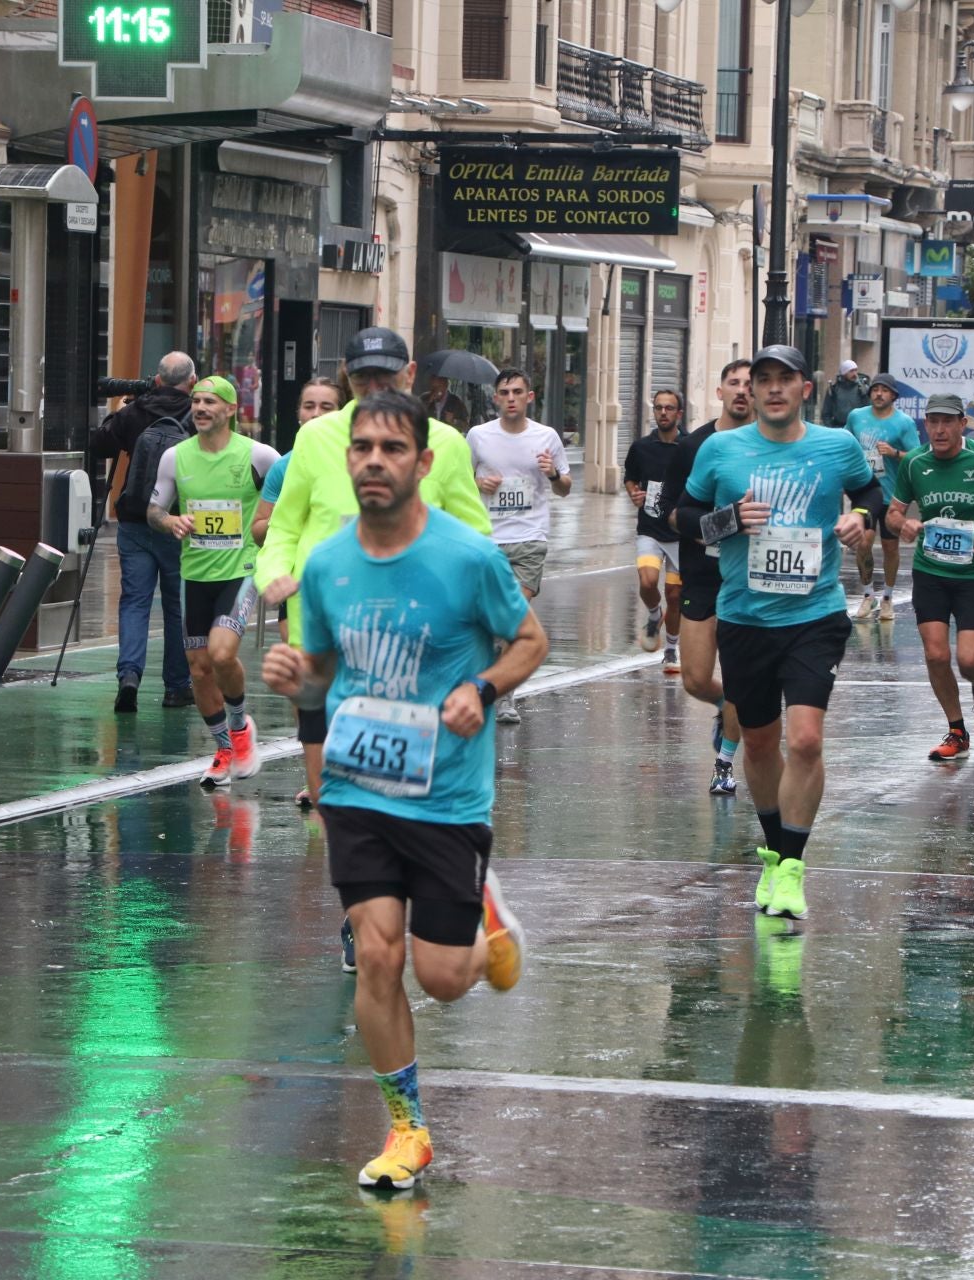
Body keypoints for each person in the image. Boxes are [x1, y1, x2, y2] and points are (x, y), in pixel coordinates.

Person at [261, 389, 548, 1192]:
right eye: (362, 449)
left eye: (392, 450)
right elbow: (321, 670)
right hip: (358, 788)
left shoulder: (467, 558)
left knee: (446, 980)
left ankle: (484, 912)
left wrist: (483, 692)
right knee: (377, 955)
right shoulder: (326, 564)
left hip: (448, 796)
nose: (374, 462)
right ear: (345, 459)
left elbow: (530, 640)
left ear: (423, 463)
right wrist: (296, 674)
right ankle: (407, 1130)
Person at [675, 345, 883, 920]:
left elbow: (870, 493)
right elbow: (683, 518)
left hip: (815, 614)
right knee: (761, 742)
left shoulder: (836, 446)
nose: (771, 390)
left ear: (804, 390)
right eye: (762, 380)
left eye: (783, 381)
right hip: (744, 616)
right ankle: (771, 852)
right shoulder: (721, 450)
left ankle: (792, 866)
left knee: (807, 739)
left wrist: (860, 519)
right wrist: (729, 520)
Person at [257, 326, 493, 813]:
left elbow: (477, 540)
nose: (374, 390)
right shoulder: (315, 438)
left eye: (385, 378)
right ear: (346, 377)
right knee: (333, 801)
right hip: (324, 635)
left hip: (413, 641)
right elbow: (282, 529)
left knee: (398, 796)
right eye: (362, 380)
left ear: (409, 375)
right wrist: (273, 577)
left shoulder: (445, 444)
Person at [145, 375, 279, 787]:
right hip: (195, 573)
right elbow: (153, 510)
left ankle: (240, 728)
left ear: (230, 410)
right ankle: (223, 749)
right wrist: (170, 521)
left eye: (210, 402)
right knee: (199, 669)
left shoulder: (259, 456)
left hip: (240, 571)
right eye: (196, 401)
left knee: (222, 654)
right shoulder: (175, 457)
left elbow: (287, 499)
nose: (200, 408)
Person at [888, 394, 974, 762]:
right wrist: (904, 523)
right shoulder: (915, 463)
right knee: (935, 654)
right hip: (930, 569)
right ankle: (956, 730)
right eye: (932, 421)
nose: (938, 429)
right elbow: (892, 512)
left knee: (968, 661)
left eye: (946, 421)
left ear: (962, 424)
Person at [664, 359, 754, 796]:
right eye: (733, 383)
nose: (742, 391)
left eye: (750, 384)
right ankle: (726, 708)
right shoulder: (695, 446)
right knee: (696, 679)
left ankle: (724, 762)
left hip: (751, 580)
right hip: (702, 573)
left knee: (740, 677)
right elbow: (675, 515)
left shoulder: (773, 445)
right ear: (719, 391)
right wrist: (728, 522)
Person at [89, 351, 196, 713]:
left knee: (134, 601)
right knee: (177, 606)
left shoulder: (135, 412)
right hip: (179, 523)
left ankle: (129, 676)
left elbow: (99, 445)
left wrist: (120, 410)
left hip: (134, 520)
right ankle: (176, 687)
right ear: (192, 382)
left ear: (158, 379)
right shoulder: (198, 414)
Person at [253, 376, 342, 809]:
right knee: (307, 682)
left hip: (355, 590)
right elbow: (262, 528)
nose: (316, 415)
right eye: (309, 406)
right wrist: (288, 530)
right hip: (298, 588)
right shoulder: (287, 464)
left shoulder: (357, 453)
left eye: (327, 407)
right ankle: (317, 771)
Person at [467, 369, 572, 722]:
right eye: (504, 392)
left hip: (530, 538)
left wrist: (553, 474)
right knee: (495, 622)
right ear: (495, 398)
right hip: (489, 539)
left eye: (517, 392)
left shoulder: (547, 437)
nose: (510, 397)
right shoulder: (478, 436)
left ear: (530, 397)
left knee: (511, 613)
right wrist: (479, 483)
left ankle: (505, 696)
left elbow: (565, 487)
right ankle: (495, 680)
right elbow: (462, 481)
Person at [842, 373, 920, 624]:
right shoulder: (857, 417)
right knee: (863, 542)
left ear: (893, 396)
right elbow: (844, 444)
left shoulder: (904, 423)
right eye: (875, 389)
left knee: (890, 547)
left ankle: (887, 597)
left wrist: (895, 452)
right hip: (865, 491)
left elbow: (916, 457)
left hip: (892, 494)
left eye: (884, 390)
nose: (878, 394)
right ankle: (868, 594)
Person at [624, 389, 686, 671]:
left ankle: (671, 649)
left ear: (679, 414)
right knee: (648, 582)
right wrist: (634, 494)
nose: (663, 413)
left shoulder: (690, 447)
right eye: (659, 408)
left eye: (669, 408)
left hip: (681, 534)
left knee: (675, 595)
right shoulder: (641, 447)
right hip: (649, 527)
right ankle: (653, 613)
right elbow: (630, 479)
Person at [821, 359, 868, 430]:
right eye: (851, 371)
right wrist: (832, 429)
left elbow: (869, 410)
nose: (855, 374)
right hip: (838, 429)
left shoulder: (862, 389)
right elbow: (826, 413)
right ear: (844, 373)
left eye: (856, 370)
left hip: (858, 429)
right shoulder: (833, 389)